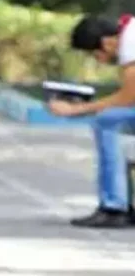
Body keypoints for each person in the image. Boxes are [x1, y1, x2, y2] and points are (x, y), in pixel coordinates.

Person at [49, 14, 135, 227]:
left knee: (106, 121)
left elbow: (127, 97)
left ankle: (114, 207)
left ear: (106, 43)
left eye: (95, 55)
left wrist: (76, 109)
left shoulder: (130, 42)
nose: (98, 60)